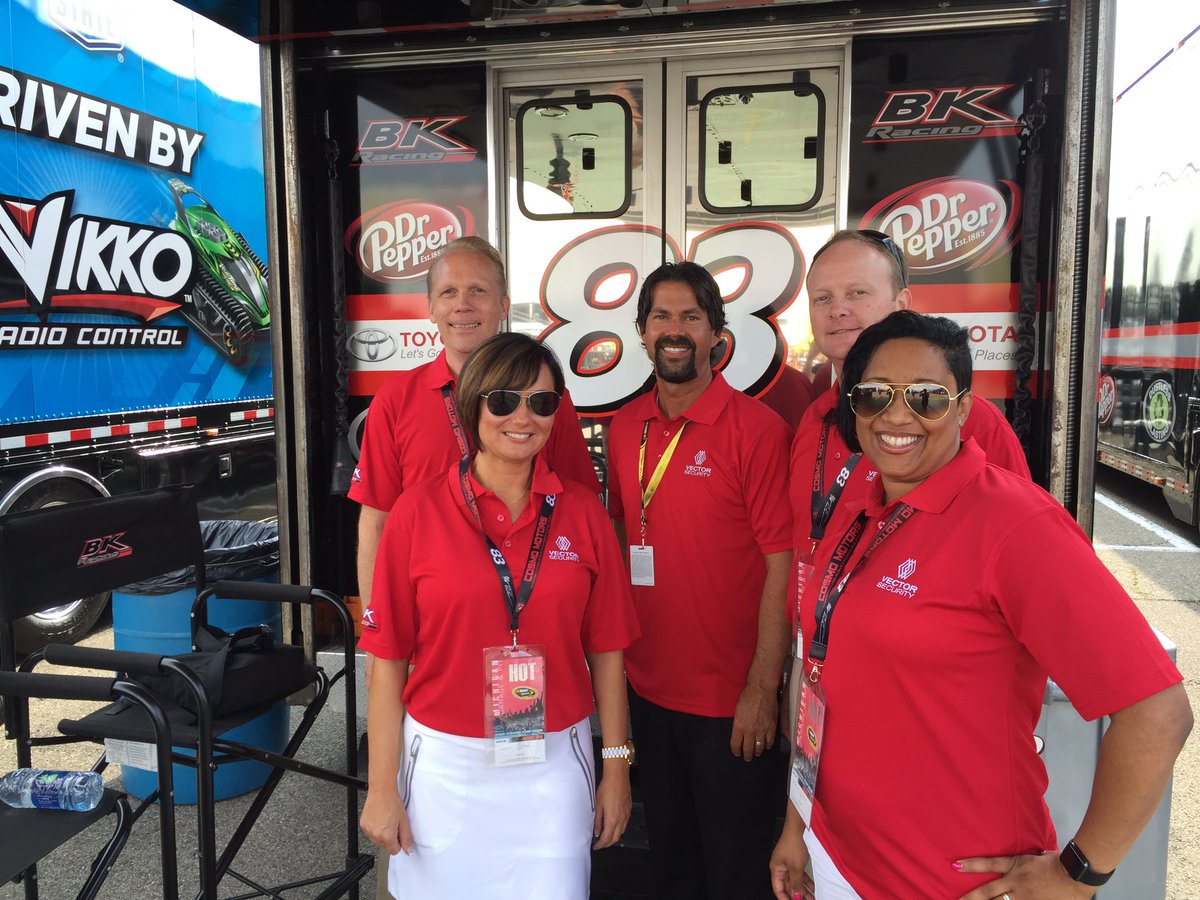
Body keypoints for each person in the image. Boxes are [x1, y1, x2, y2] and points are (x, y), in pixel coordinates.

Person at [769, 311, 1191, 899]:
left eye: (927, 397)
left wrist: (1079, 873)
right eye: (874, 395)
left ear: (964, 409)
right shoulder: (859, 509)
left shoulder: (1016, 526)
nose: (896, 415)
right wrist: (799, 823)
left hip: (954, 883)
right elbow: (822, 685)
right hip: (837, 857)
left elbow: (1157, 712)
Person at [358, 332, 639, 899]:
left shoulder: (583, 514)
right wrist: (381, 787)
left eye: (541, 402)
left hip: (555, 765)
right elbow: (388, 663)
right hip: (443, 766)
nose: (522, 416)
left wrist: (617, 768)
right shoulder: (417, 512)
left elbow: (607, 650)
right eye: (503, 400)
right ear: (473, 405)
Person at [606, 261, 793, 899]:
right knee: (672, 865)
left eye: (691, 316)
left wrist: (762, 690)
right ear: (642, 331)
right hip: (648, 692)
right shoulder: (625, 426)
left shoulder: (759, 433)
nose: (675, 329)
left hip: (729, 706)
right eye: (661, 316)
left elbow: (781, 565)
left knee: (736, 873)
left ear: (716, 332)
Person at [350, 235, 600, 630]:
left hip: (533, 617)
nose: (462, 304)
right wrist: (378, 628)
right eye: (449, 292)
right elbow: (376, 522)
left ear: (502, 305)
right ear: (431, 308)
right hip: (433, 626)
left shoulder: (547, 399)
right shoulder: (394, 402)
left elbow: (581, 507)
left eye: (478, 291)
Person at [792, 230, 1029, 563]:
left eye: (857, 292)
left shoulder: (970, 420)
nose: (837, 310)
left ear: (901, 304)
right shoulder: (813, 419)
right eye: (822, 298)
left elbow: (1021, 550)